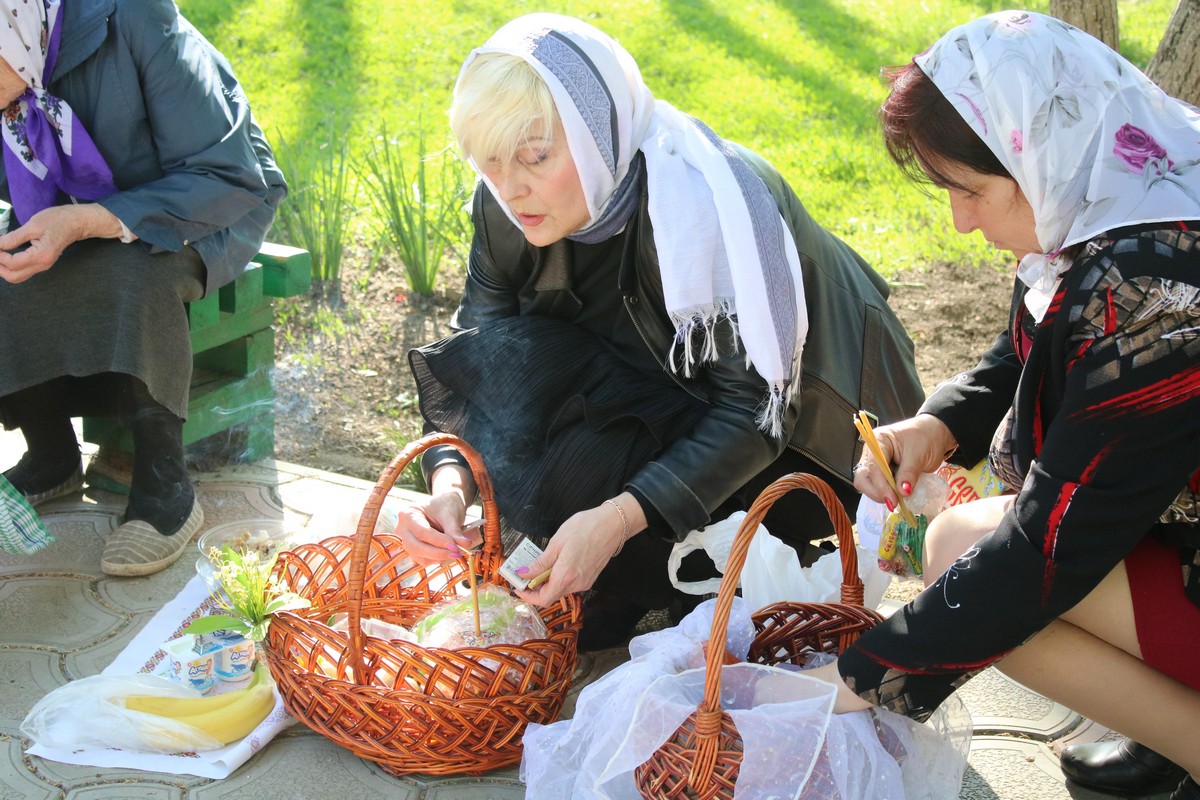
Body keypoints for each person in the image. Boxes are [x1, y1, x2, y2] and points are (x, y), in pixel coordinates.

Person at [394, 13, 923, 649]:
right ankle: (618, 573)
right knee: (517, 411)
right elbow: (480, 356)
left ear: (597, 133)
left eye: (535, 156)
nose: (511, 189)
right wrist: (451, 479)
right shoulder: (507, 203)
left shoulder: (708, 207)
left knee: (578, 475)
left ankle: (656, 579)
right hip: (656, 387)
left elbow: (758, 412)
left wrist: (616, 519)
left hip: (813, 444)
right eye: (490, 162)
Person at [805, 10, 1200, 799]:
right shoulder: (1137, 185)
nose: (960, 218)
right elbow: (1045, 344)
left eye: (970, 189)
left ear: (1037, 155)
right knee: (964, 544)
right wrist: (941, 424)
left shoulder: (1157, 295)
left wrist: (852, 686)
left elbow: (1046, 552)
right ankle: (1173, 725)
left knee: (969, 558)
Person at [0, 0, 285, 576]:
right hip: (70, 206)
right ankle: (52, 455)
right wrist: (70, 220)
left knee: (132, 275)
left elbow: (227, 174)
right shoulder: (15, 65)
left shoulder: (133, 16)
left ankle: (165, 488)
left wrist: (88, 221)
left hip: (199, 206)